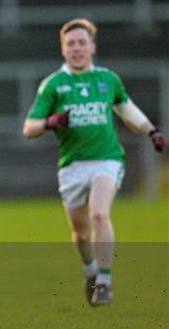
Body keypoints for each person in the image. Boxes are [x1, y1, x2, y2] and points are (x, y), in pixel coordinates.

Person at [23, 19, 166, 306]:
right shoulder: (54, 85)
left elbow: (126, 110)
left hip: (107, 159)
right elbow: (29, 127)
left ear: (92, 47)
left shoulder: (107, 79)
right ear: (63, 50)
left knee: (99, 214)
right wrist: (51, 122)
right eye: (71, 43)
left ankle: (104, 281)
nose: (77, 48)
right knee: (80, 232)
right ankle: (89, 268)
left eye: (81, 42)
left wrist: (151, 130)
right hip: (72, 166)